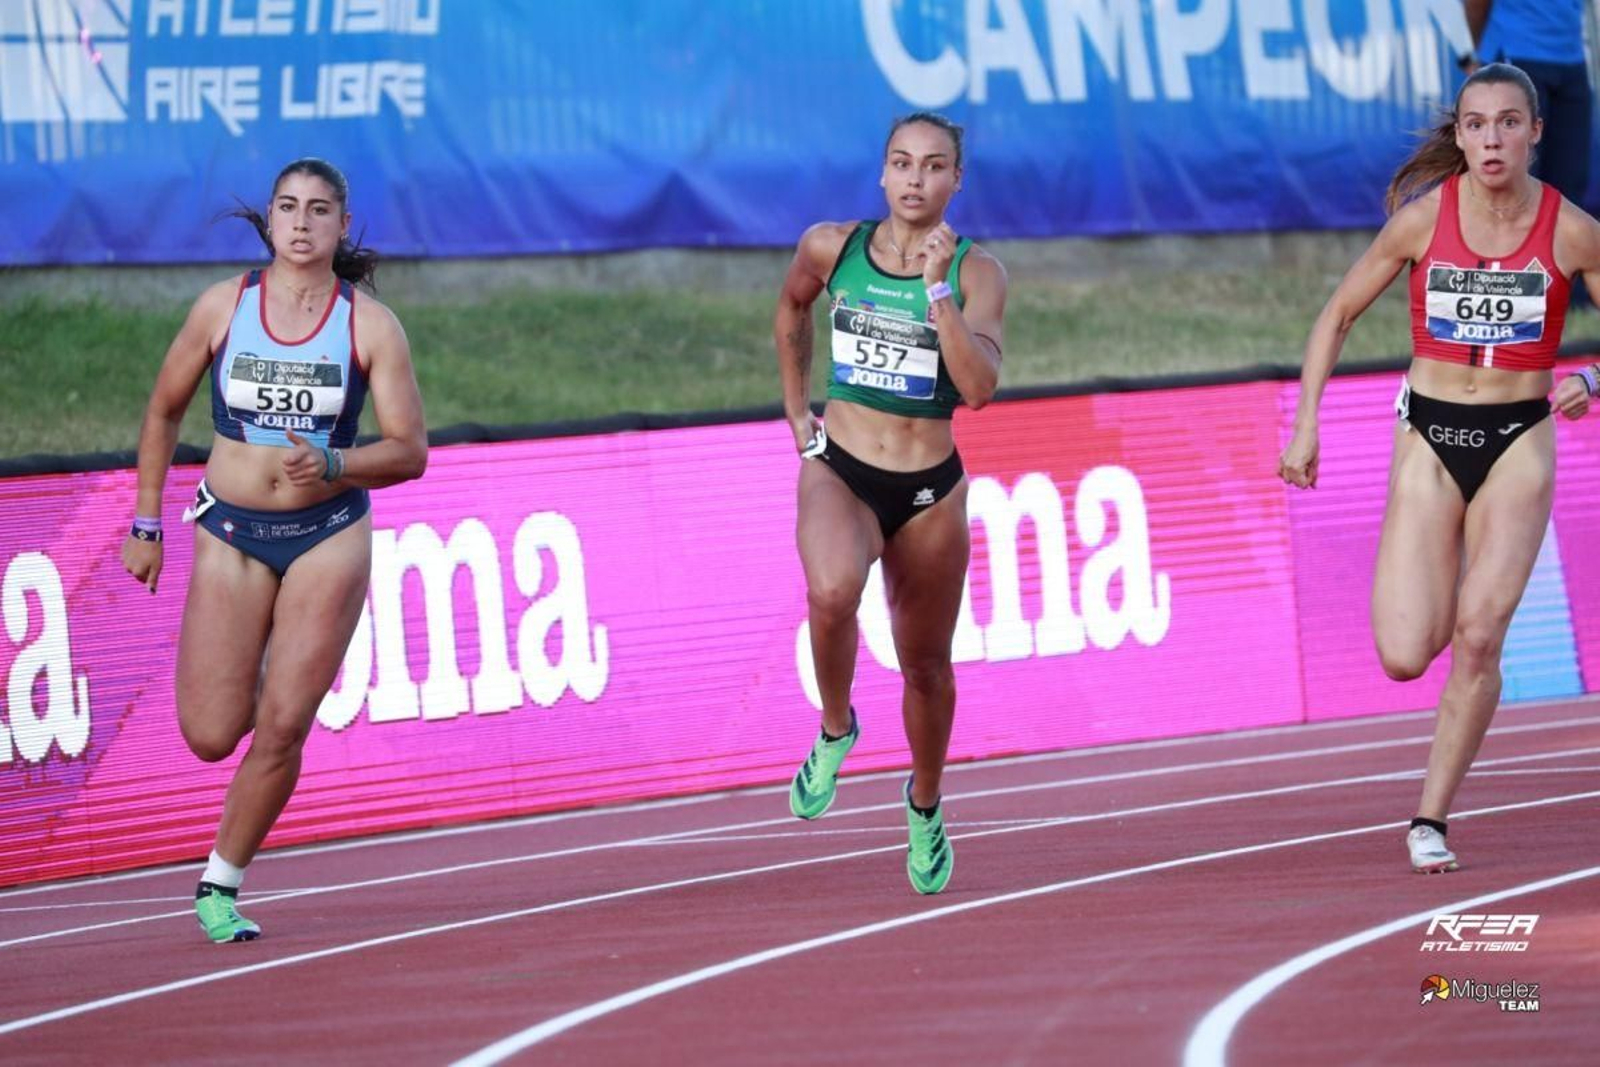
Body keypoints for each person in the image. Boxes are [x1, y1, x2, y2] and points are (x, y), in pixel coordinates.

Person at [1278, 64, 1600, 874]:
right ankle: (1442, 552)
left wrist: (1590, 379)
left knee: (1481, 635)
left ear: (1534, 132)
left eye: (1508, 123)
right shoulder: (1424, 222)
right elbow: (1338, 313)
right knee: (1402, 653)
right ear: (1459, 136)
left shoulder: (1571, 231)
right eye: (1476, 124)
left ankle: (1431, 816)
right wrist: (1307, 423)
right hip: (1428, 435)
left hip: (1519, 436)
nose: (1492, 139)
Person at [121, 158, 427, 941]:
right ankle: (257, 652)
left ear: (341, 227)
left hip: (327, 533)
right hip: (231, 531)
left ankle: (220, 882)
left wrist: (335, 462)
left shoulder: (370, 324)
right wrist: (147, 522)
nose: (301, 222)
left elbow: (410, 451)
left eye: (318, 210)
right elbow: (162, 413)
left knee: (286, 723)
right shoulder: (225, 307)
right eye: (287, 207)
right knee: (211, 732)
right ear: (269, 219)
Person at [773, 112, 1007, 894]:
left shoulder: (977, 273)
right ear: (882, 173)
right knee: (832, 588)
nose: (916, 179)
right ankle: (837, 725)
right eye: (902, 163)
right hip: (840, 467)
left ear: (955, 182)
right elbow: (790, 311)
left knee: (928, 668)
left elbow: (977, 389)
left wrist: (937, 292)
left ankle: (926, 801)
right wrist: (792, 405)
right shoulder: (830, 246)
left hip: (929, 491)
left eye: (934, 166)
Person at [1465, 0, 1594, 305]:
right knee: (1512, 183)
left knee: (1570, 183)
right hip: (1515, 52)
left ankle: (1567, 294)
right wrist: (1482, 51)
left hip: (1572, 58)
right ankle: (1506, 285)